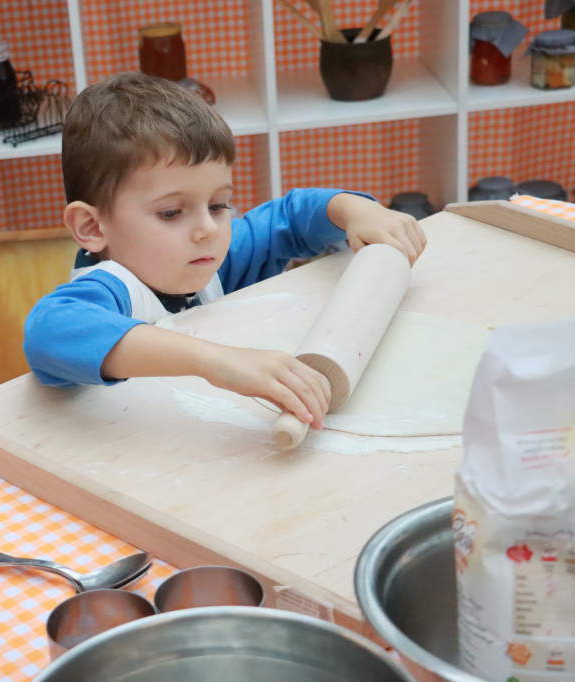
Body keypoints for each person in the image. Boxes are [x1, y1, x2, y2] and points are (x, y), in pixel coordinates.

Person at [23, 72, 426, 430]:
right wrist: (217, 363)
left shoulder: (208, 261)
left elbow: (288, 216)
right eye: (171, 212)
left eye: (218, 205)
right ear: (92, 227)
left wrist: (357, 210)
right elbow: (48, 331)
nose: (207, 230)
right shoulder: (111, 290)